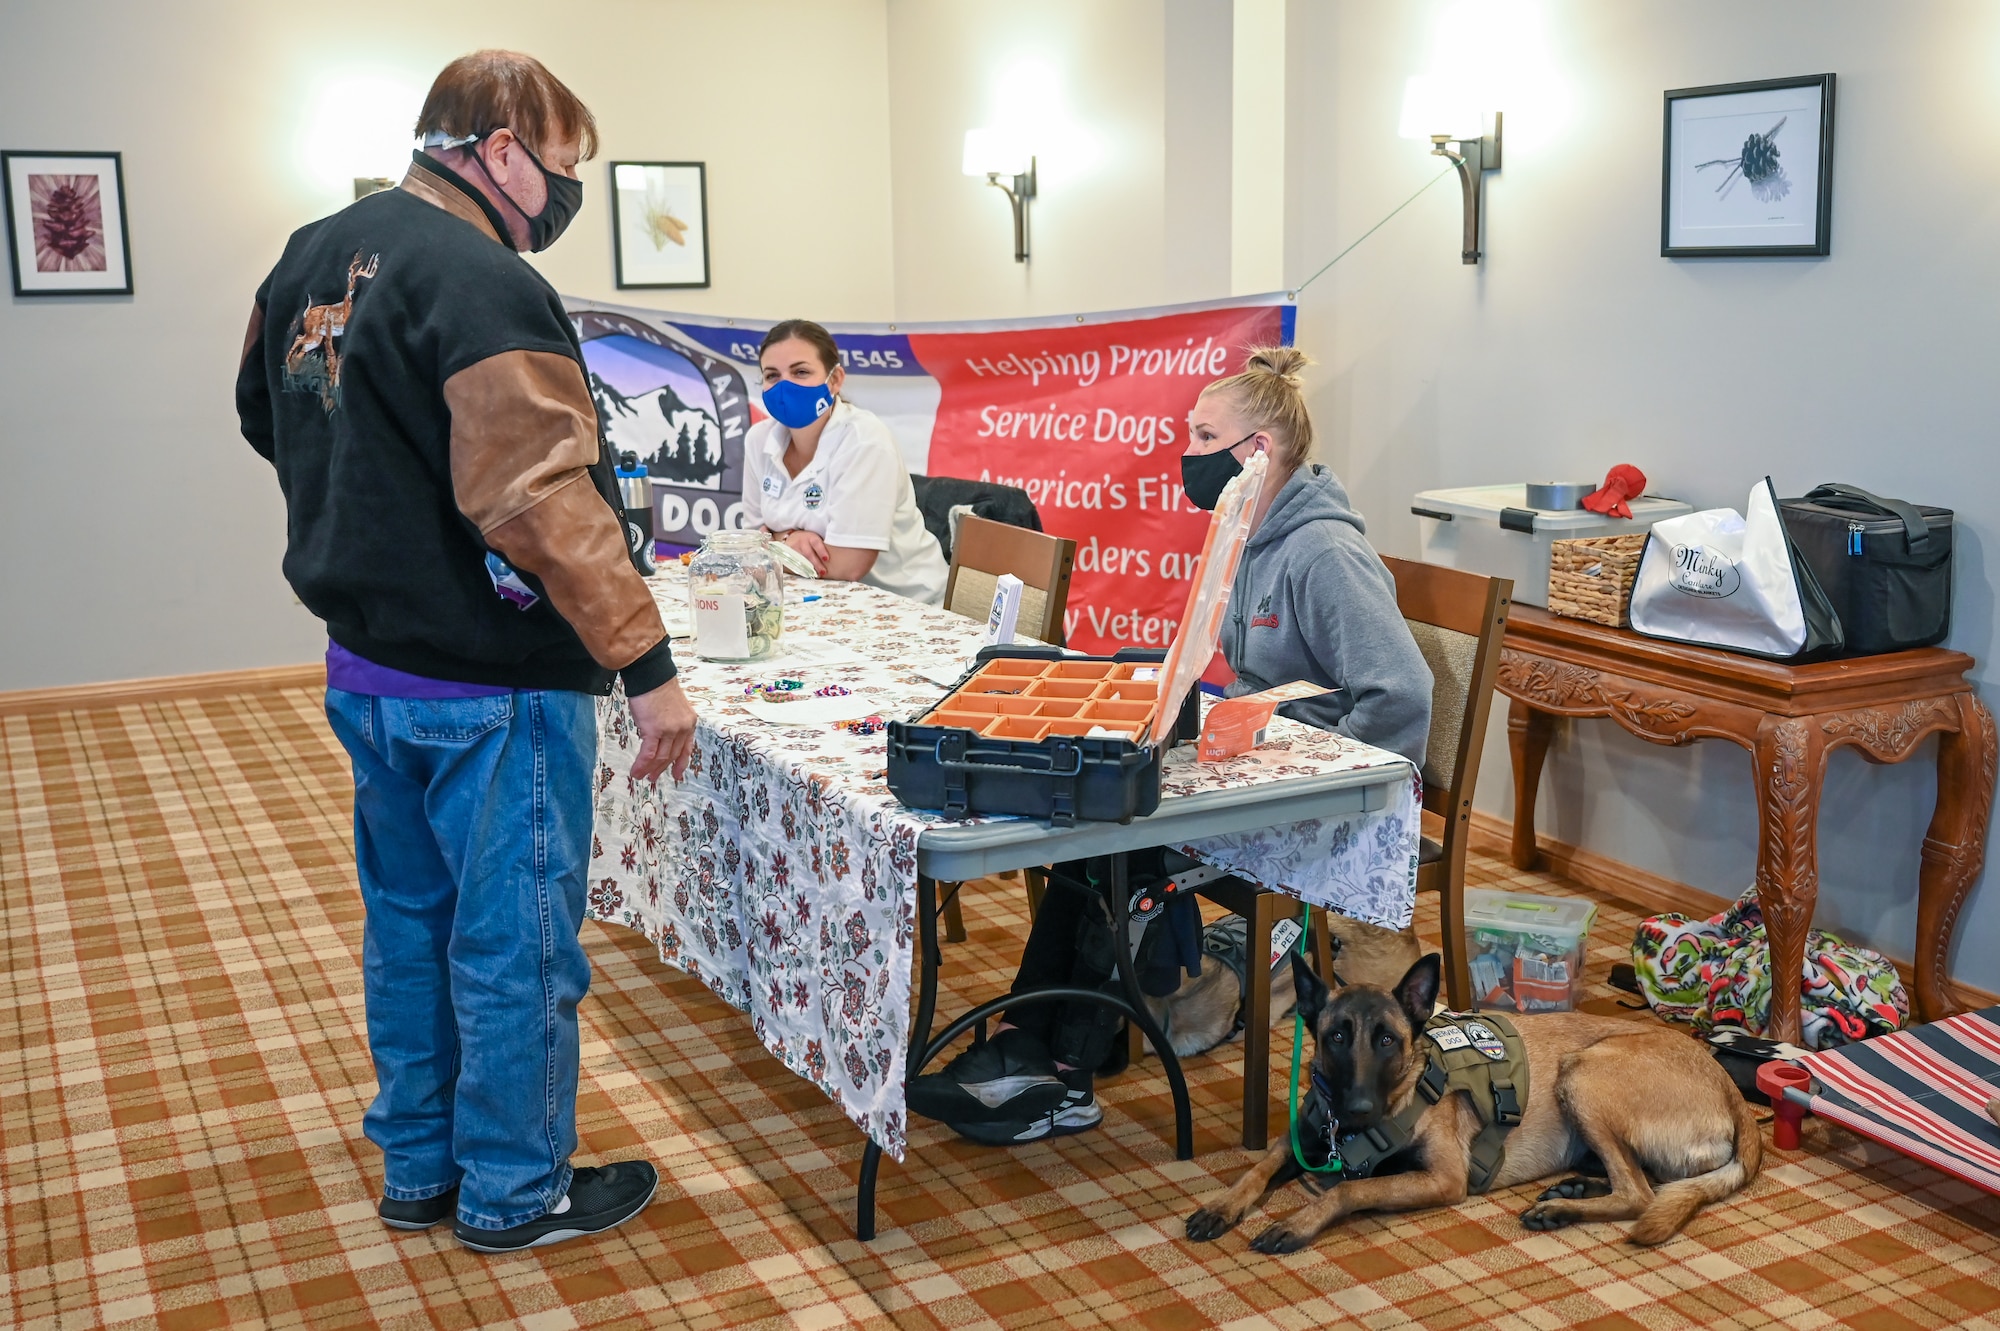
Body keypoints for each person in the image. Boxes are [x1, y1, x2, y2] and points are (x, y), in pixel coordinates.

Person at [236, 50, 696, 1253]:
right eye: (562, 167)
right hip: (493, 684)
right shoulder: (482, 280)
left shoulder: (307, 252)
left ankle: (421, 1168)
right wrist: (647, 669)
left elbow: (260, 411)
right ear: (500, 150)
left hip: (364, 667)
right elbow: (541, 497)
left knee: (409, 928)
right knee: (509, 949)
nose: (562, 193)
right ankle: (514, 1189)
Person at [907, 345, 1433, 1144]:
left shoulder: (1322, 552)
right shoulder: (1244, 533)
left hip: (1322, 799)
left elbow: (1403, 693)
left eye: (1200, 436)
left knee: (1122, 845)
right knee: (1090, 824)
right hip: (1258, 763)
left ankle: (1065, 1075)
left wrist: (1326, 772)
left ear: (1256, 452)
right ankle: (1032, 1042)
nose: (1185, 453)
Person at [742, 320, 949, 605]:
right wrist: (791, 540)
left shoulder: (865, 441)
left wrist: (777, 543)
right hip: (817, 601)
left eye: (801, 372)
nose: (784, 386)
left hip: (906, 605)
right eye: (772, 375)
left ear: (835, 379)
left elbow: (849, 565)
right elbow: (750, 544)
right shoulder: (758, 440)